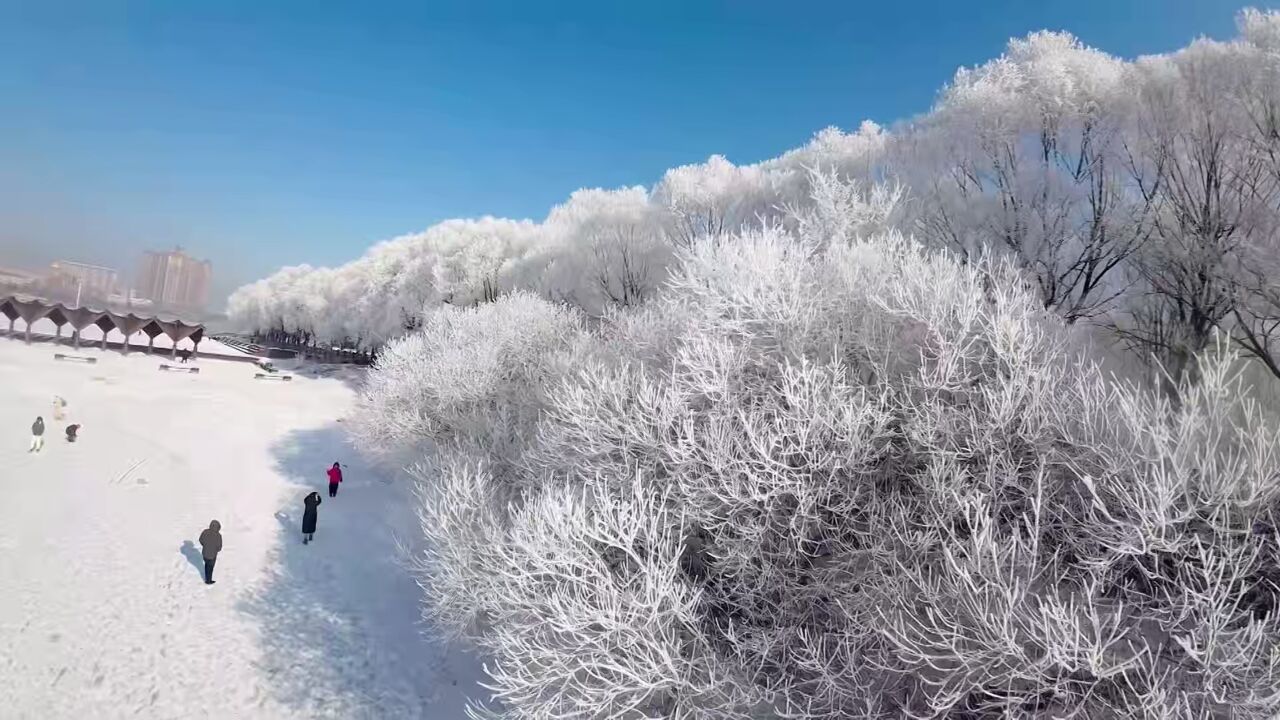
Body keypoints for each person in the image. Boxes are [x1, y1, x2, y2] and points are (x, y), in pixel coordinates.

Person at [198, 520, 222, 585]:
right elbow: (219, 547)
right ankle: (209, 580)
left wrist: (205, 545)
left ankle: (207, 578)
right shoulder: (218, 535)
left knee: (206, 565)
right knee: (210, 567)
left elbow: (200, 540)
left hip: (205, 553)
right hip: (213, 555)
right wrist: (215, 550)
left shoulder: (205, 532)